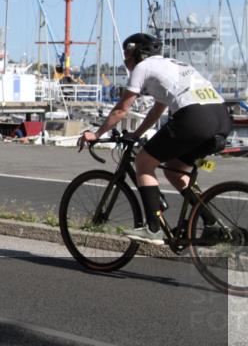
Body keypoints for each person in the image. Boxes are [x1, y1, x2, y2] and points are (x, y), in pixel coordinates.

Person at [78, 33, 232, 244]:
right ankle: (211, 224)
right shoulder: (172, 65)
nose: (127, 63)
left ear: (138, 53)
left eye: (127, 58)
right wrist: (135, 134)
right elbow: (156, 112)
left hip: (195, 118)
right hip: (222, 117)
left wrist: (96, 134)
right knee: (174, 170)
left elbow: (121, 110)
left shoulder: (143, 68)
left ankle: (153, 228)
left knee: (143, 162)